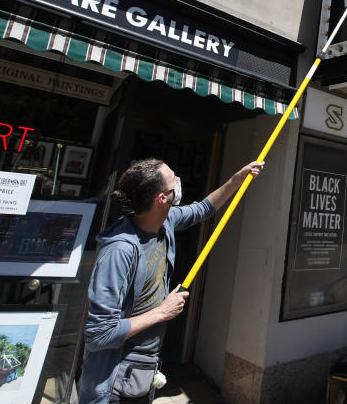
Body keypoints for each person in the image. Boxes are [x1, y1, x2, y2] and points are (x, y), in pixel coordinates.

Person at [78, 158, 264, 403]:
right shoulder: (119, 250)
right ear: (161, 198)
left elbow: (203, 209)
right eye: (173, 179)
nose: (178, 181)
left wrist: (237, 179)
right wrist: (162, 312)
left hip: (144, 369)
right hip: (114, 379)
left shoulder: (165, 221)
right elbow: (99, 334)